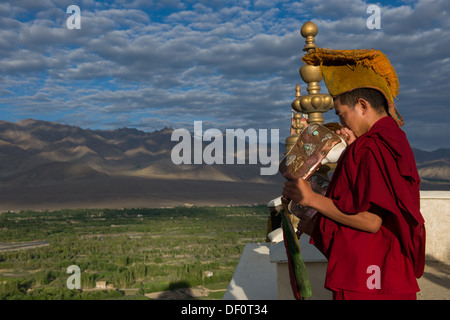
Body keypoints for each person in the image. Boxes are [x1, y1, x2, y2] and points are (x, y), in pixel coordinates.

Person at [282, 49, 426, 300]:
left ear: (362, 105)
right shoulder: (392, 139)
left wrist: (311, 199)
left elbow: (371, 221)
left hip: (368, 279)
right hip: (388, 273)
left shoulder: (371, 147)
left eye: (342, 115)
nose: (343, 125)